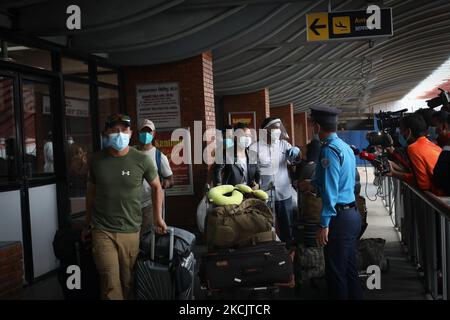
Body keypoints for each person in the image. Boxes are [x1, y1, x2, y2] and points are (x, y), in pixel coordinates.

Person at [82, 114, 167, 300]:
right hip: (102, 229)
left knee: (128, 281)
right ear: (106, 133)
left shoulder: (142, 160)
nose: (119, 134)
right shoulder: (96, 160)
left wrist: (158, 218)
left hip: (130, 229)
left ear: (130, 133)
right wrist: (87, 223)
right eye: (114, 130)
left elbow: (157, 187)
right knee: (110, 281)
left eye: (123, 130)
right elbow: (91, 194)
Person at [298, 106, 362, 300]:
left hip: (338, 218)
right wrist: (311, 185)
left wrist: (324, 224)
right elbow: (340, 182)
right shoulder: (344, 146)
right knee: (349, 270)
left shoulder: (328, 150)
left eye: (312, 125)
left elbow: (331, 191)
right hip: (351, 215)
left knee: (336, 274)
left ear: (317, 126)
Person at [249, 117, 301, 248]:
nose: (277, 131)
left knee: (287, 228)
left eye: (279, 128)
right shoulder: (255, 148)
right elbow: (251, 172)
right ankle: (271, 254)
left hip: (284, 194)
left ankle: (289, 253)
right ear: (265, 131)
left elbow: (296, 160)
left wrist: (297, 152)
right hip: (265, 196)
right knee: (266, 228)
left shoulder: (284, 145)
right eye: (274, 129)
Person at [388, 113, 442, 194]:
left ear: (409, 132)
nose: (400, 134)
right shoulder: (432, 144)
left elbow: (423, 184)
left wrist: (394, 173)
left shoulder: (414, 148)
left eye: (401, 131)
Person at [135, 119, 174, 232]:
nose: (146, 134)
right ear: (138, 133)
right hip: (131, 204)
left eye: (149, 132)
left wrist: (165, 183)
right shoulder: (130, 153)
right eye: (143, 131)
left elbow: (171, 179)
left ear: (154, 133)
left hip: (150, 204)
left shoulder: (159, 156)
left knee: (148, 238)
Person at [213, 122, 260, 188]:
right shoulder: (226, 154)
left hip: (249, 194)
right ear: (235, 137)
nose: (247, 138)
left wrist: (258, 185)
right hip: (232, 194)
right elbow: (217, 171)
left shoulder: (253, 155)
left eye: (249, 136)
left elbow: (258, 173)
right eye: (244, 136)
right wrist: (219, 187)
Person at [433, 112, 450, 196]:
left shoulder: (445, 155)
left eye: (436, 126)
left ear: (444, 126)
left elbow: (438, 181)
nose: (435, 130)